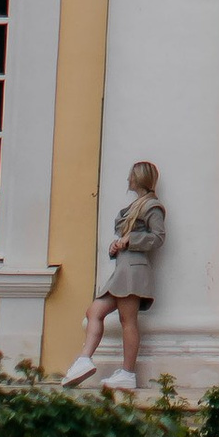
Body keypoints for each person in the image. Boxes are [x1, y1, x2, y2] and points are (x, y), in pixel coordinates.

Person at [62, 161, 164, 389]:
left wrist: (132, 240)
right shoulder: (136, 206)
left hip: (134, 271)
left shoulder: (152, 206)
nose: (129, 179)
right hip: (123, 269)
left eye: (131, 175)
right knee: (94, 312)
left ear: (138, 178)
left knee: (128, 320)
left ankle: (128, 373)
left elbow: (158, 237)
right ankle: (84, 360)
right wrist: (116, 246)